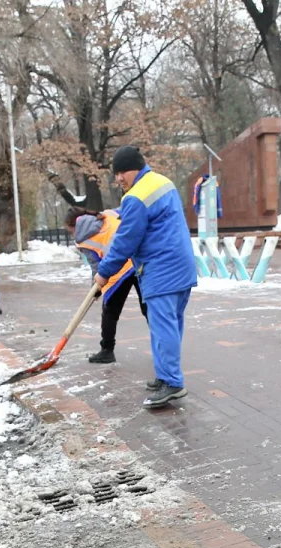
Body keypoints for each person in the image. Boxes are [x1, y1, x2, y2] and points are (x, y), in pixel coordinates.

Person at [93, 146, 197, 409]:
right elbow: (147, 213)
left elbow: (125, 241)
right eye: (115, 173)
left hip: (160, 269)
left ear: (134, 168)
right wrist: (119, 211)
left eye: (121, 172)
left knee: (162, 328)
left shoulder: (136, 196)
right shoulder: (161, 182)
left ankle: (172, 383)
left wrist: (104, 272)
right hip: (180, 265)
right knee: (168, 325)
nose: (118, 178)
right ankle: (165, 376)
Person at [66, 205, 147, 364]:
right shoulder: (108, 214)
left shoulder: (83, 239)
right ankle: (163, 346)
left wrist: (96, 289)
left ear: (72, 226)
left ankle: (107, 351)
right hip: (137, 261)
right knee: (149, 307)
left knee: (110, 311)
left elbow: (96, 265)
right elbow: (127, 209)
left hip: (116, 270)